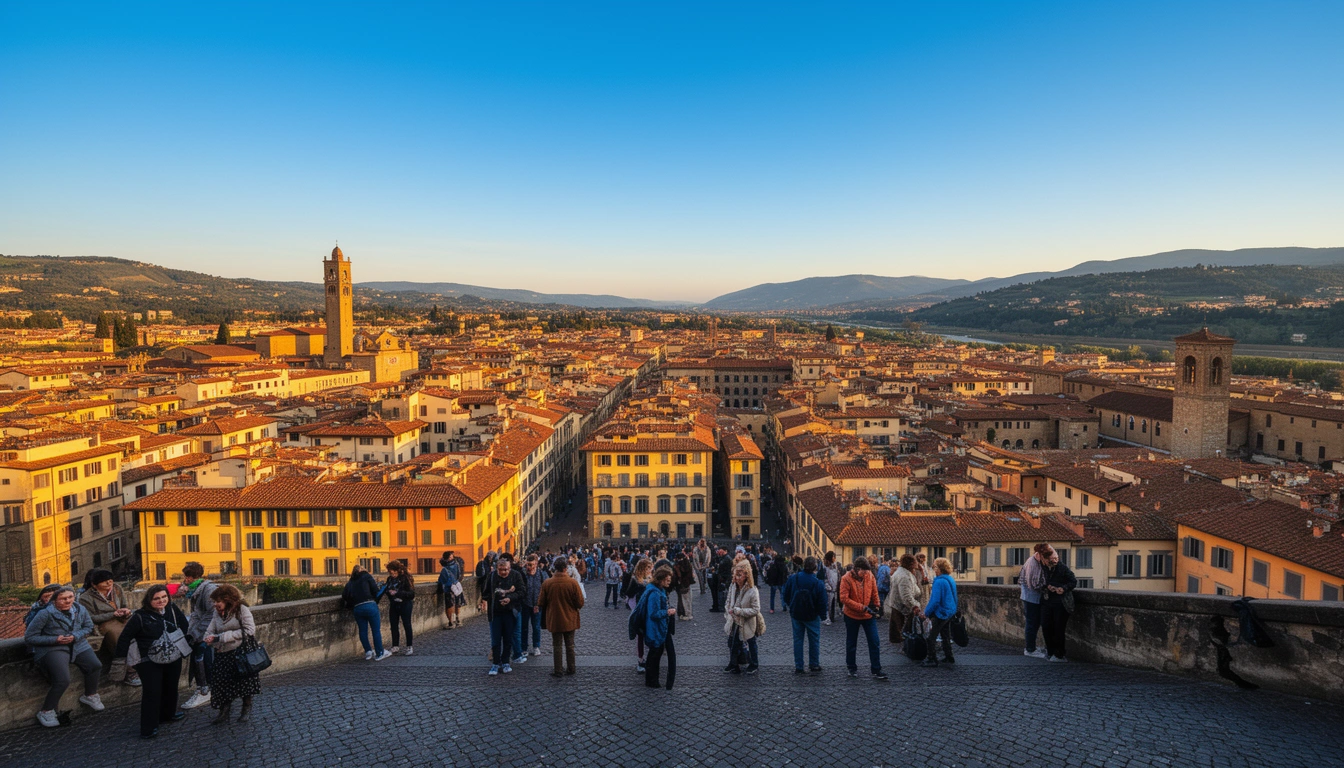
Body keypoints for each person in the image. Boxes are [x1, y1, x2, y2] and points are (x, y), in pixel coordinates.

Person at [112, 585, 191, 739]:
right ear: (149, 600)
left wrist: (188, 643)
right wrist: (120, 660)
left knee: (171, 686)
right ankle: (148, 726)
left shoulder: (172, 609)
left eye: (164, 597)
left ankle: (168, 714)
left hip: (172, 654)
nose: (161, 601)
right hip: (147, 658)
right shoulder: (140, 616)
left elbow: (185, 626)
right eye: (157, 598)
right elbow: (125, 637)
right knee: (152, 691)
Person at [25, 586, 103, 728]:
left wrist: (75, 635)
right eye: (63, 598)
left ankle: (90, 695)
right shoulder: (45, 614)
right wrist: (55, 639)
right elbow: (30, 637)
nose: (68, 601)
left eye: (70, 597)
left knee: (95, 665)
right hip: (54, 647)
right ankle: (46, 710)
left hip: (77, 643)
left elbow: (88, 626)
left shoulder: (79, 609)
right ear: (55, 600)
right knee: (62, 680)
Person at [202, 584, 260, 724]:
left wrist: (223, 637)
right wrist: (210, 638)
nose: (216, 604)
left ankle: (246, 708)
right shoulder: (217, 613)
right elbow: (210, 630)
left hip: (241, 652)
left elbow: (250, 630)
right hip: (223, 653)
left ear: (228, 600)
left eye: (218, 601)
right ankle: (224, 711)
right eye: (214, 602)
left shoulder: (241, 609)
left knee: (244, 682)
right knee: (222, 683)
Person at [78, 569, 140, 687]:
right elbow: (89, 617)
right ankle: (130, 671)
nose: (108, 583)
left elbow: (124, 605)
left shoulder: (117, 589)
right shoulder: (85, 598)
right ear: (94, 584)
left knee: (140, 631)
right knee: (118, 637)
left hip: (122, 618)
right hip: (104, 623)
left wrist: (125, 611)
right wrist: (112, 614)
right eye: (104, 582)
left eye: (110, 580)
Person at [839, 556, 887, 680]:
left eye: (867, 571)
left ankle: (876, 669)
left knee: (874, 641)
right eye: (864, 571)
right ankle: (851, 667)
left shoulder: (869, 575)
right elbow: (844, 598)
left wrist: (877, 605)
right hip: (852, 615)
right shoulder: (846, 579)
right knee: (851, 643)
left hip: (867, 615)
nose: (865, 574)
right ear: (857, 569)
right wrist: (861, 607)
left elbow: (874, 591)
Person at [479, 555, 526, 676]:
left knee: (508, 638)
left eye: (506, 570)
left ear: (510, 568)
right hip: (496, 613)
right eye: (501, 570)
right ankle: (495, 663)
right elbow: (485, 592)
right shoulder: (492, 576)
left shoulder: (516, 575)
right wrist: (491, 598)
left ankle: (505, 662)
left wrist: (509, 598)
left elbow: (522, 591)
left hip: (510, 612)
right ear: (497, 569)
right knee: (495, 639)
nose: (504, 572)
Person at [538, 555, 585, 677]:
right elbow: (580, 602)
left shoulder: (547, 583)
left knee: (557, 645)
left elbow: (541, 602)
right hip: (570, 618)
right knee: (570, 645)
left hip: (555, 619)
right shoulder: (573, 583)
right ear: (565, 568)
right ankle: (571, 668)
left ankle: (558, 670)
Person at [180, 562, 218, 709]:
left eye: (187, 577)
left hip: (207, 632)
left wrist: (196, 633)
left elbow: (211, 615)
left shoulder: (208, 590)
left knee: (201, 658)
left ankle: (205, 690)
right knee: (200, 658)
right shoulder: (198, 589)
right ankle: (205, 688)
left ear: (193, 577)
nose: (185, 580)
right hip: (202, 631)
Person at [782, 556, 828, 674]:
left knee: (798, 640)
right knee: (814, 640)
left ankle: (799, 666)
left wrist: (791, 605)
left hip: (796, 613)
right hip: (812, 615)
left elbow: (785, 594)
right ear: (815, 567)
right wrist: (823, 616)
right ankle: (814, 664)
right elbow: (822, 601)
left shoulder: (794, 578)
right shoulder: (818, 582)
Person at [342, 565, 391, 661]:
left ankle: (368, 652)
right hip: (370, 605)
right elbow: (376, 592)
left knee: (362, 631)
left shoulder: (350, 582)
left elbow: (344, 595)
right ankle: (379, 653)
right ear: (362, 570)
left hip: (357, 608)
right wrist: (384, 587)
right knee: (375, 630)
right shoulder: (367, 576)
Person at [640, 566, 677, 689]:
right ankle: (651, 680)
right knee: (654, 654)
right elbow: (653, 613)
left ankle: (653, 679)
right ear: (660, 580)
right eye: (667, 579)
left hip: (659, 627)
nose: (669, 581)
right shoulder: (655, 593)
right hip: (655, 628)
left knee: (657, 652)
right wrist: (667, 612)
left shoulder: (659, 590)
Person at [723, 562, 762, 675]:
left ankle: (754, 664)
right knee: (732, 642)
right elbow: (729, 601)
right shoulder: (733, 586)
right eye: (735, 575)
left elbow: (756, 609)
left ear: (746, 575)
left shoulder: (752, 590)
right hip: (734, 619)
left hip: (747, 621)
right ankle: (734, 664)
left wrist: (740, 611)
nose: (737, 578)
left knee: (751, 641)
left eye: (739, 575)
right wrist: (728, 610)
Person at [1041, 547, 1078, 662]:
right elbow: (1041, 582)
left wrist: (1063, 588)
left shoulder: (1062, 568)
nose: (1054, 561)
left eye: (1055, 558)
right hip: (1048, 601)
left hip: (1061, 603)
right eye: (1052, 559)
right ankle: (1051, 651)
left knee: (1058, 628)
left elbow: (1073, 581)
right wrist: (1048, 586)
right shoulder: (1044, 568)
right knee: (1046, 626)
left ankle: (1059, 654)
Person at [921, 557, 959, 667]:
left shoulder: (939, 582)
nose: (933, 569)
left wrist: (926, 613)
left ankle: (932, 658)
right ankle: (949, 656)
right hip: (949, 611)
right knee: (945, 635)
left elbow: (935, 601)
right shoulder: (949, 579)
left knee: (931, 637)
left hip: (941, 613)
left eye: (935, 567)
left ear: (940, 568)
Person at [1020, 543, 1051, 659]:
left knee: (1033, 623)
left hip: (1030, 597)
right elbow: (1033, 584)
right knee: (1032, 623)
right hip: (1031, 597)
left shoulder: (1033, 561)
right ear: (1040, 554)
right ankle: (1030, 649)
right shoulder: (1033, 564)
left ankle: (1031, 647)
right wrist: (1047, 587)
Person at [885, 554, 923, 644]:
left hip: (897, 603)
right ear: (911, 564)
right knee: (900, 629)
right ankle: (904, 645)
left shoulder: (901, 572)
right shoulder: (904, 577)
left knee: (896, 627)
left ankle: (899, 641)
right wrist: (915, 605)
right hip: (901, 605)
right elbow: (906, 596)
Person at [625, 558, 653, 672]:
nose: (651, 570)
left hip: (649, 611)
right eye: (649, 568)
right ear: (643, 569)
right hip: (641, 612)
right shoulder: (636, 581)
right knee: (641, 637)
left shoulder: (650, 579)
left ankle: (649, 659)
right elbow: (629, 596)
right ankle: (641, 661)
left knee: (649, 635)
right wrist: (636, 609)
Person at [383, 560, 416, 656]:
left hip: (405, 604)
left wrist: (397, 593)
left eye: (394, 573)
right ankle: (395, 646)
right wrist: (388, 592)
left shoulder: (406, 578)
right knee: (393, 625)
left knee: (407, 625)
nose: (392, 575)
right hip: (394, 604)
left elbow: (411, 594)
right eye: (391, 573)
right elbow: (387, 589)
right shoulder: (389, 579)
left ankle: (409, 646)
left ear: (398, 570)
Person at [519, 554, 547, 659]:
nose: (528, 567)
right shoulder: (523, 574)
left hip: (537, 605)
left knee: (536, 627)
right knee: (524, 627)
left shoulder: (542, 575)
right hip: (525, 604)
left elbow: (545, 590)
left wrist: (539, 603)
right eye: (527, 565)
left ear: (536, 564)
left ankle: (536, 646)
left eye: (531, 565)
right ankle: (524, 648)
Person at [438, 555, 465, 629]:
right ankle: (458, 619)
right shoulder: (457, 565)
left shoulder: (444, 569)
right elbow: (460, 576)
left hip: (449, 588)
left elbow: (441, 580)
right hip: (457, 587)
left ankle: (451, 623)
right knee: (457, 603)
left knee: (450, 605)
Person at [673, 550, 695, 621]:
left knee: (682, 600)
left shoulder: (678, 566)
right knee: (687, 599)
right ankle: (688, 613)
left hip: (681, 584)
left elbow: (678, 576)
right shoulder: (688, 564)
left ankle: (683, 613)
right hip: (687, 584)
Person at [711, 546, 734, 613]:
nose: (719, 552)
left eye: (721, 551)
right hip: (723, 577)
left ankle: (721, 607)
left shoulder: (726, 558)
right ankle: (720, 606)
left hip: (724, 578)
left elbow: (720, 567)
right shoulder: (724, 558)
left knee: (722, 592)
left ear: (725, 551)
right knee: (721, 592)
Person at [821, 552, 841, 625]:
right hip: (828, 588)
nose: (835, 558)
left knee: (833, 603)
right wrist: (828, 587)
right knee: (828, 604)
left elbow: (837, 576)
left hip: (834, 587)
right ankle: (827, 618)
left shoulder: (835, 565)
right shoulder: (824, 567)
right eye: (834, 557)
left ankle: (831, 617)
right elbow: (824, 578)